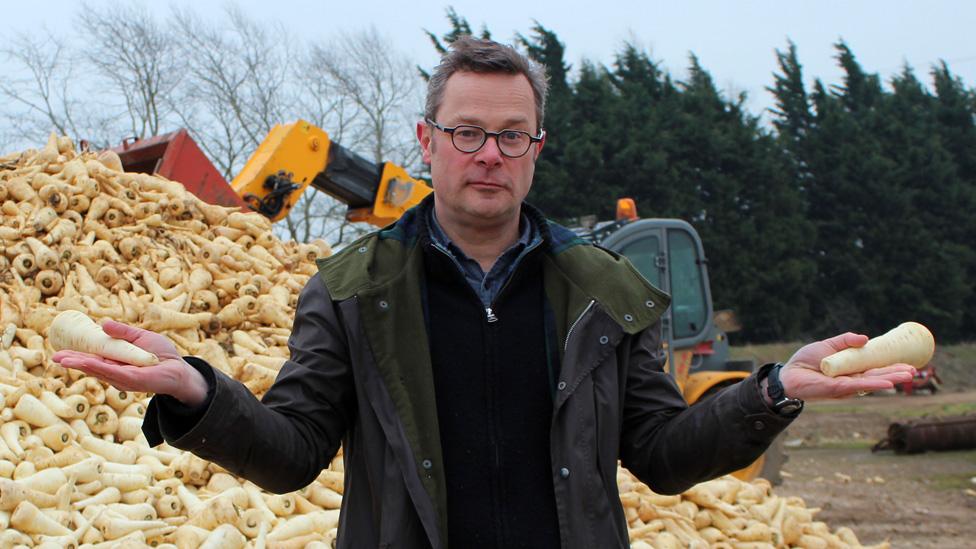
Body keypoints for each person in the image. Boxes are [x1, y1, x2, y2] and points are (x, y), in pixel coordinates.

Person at [54, 36, 916, 549]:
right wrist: (200, 392)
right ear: (429, 142)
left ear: (538, 147)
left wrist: (772, 391)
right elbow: (292, 450)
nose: (489, 154)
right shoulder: (353, 288)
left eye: (511, 135)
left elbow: (661, 450)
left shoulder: (602, 289)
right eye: (468, 132)